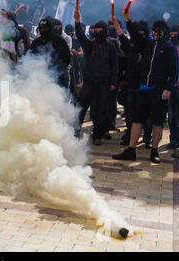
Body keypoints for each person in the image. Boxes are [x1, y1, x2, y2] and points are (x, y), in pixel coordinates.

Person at [113, 9, 178, 164]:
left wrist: (168, 88)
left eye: (160, 30)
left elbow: (174, 70)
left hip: (159, 90)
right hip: (143, 88)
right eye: (155, 30)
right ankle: (131, 149)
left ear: (165, 32)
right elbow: (133, 34)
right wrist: (127, 18)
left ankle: (154, 150)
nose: (157, 33)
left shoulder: (169, 49)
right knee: (137, 120)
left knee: (157, 122)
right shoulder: (147, 44)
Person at [74, 10, 118, 145]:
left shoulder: (110, 46)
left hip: (104, 83)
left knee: (101, 111)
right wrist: (77, 22)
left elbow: (114, 66)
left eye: (100, 30)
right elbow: (81, 36)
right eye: (96, 30)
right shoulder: (90, 44)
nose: (98, 32)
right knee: (81, 108)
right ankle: (74, 133)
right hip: (89, 82)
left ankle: (97, 135)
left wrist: (113, 83)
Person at [110, 17, 153, 147]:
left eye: (142, 34)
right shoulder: (130, 47)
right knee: (129, 114)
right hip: (131, 85)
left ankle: (147, 138)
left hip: (145, 86)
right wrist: (116, 23)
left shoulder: (150, 47)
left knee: (146, 113)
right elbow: (122, 36)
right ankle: (129, 135)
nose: (140, 36)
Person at [30, 18, 71, 88]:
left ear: (49, 28)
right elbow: (30, 57)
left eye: (45, 28)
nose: (43, 30)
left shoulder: (60, 40)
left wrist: (53, 65)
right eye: (41, 28)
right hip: (40, 75)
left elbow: (67, 59)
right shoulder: (36, 42)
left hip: (58, 74)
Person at [168, 24, 179, 150]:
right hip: (171, 85)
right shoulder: (169, 46)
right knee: (171, 115)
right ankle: (173, 138)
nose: (172, 35)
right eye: (171, 33)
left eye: (175, 33)